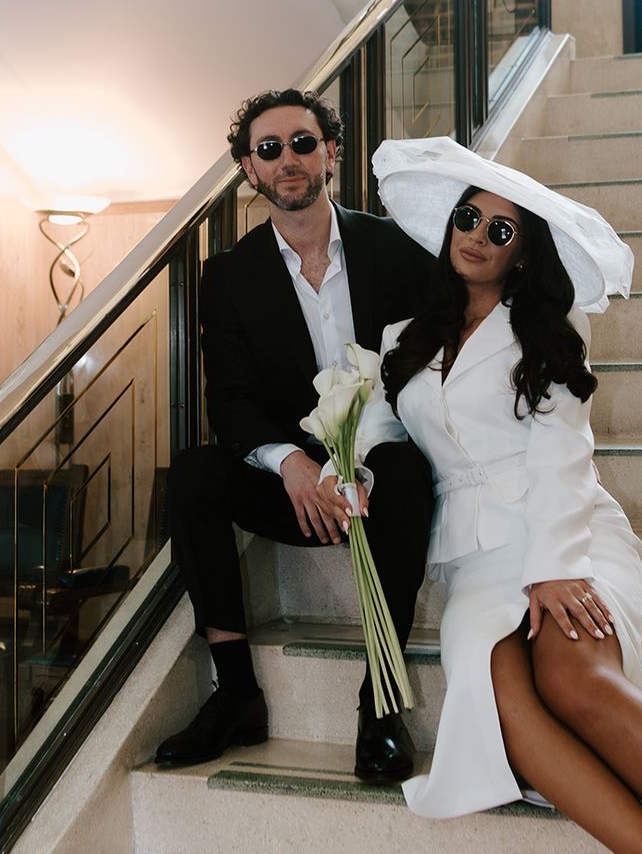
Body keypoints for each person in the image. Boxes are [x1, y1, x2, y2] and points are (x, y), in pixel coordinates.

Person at [320, 137, 642, 853]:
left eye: (500, 231)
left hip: (566, 532)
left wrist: (556, 565)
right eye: (468, 219)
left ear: (523, 252)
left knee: (574, 681)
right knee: (506, 704)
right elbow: (376, 438)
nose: (478, 237)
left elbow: (563, 449)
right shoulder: (400, 340)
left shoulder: (548, 326)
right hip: (471, 561)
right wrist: (345, 476)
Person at [157, 90, 435, 783]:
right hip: (298, 487)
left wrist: (365, 461)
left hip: (383, 473)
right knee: (193, 474)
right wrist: (290, 466)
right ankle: (237, 696)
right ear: (249, 170)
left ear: (330, 153)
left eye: (303, 143)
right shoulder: (227, 276)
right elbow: (232, 400)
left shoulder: (396, 248)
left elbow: (430, 367)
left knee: (404, 473)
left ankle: (381, 703)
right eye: (269, 149)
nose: (289, 159)